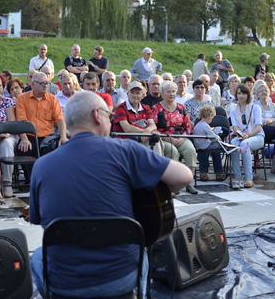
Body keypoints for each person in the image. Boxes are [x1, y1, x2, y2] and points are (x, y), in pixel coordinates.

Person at [29, 91, 192, 298]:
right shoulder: (126, 150)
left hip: (65, 283)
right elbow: (185, 176)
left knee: (36, 257)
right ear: (97, 115)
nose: (111, 120)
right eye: (109, 115)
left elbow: (38, 219)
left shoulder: (41, 166)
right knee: (141, 249)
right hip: (121, 279)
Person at [16, 72, 68, 182]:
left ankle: (50, 180)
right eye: (42, 83)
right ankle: (31, 181)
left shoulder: (52, 99)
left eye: (47, 83)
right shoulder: (22, 98)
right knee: (24, 149)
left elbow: (60, 120)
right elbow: (21, 121)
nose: (45, 86)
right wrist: (24, 139)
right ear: (33, 84)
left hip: (47, 138)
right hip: (29, 137)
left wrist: (63, 136)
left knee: (57, 148)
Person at [152, 81, 198, 194]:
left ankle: (189, 182)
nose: (171, 94)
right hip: (164, 138)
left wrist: (182, 138)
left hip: (180, 137)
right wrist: (167, 138)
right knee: (173, 152)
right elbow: (153, 128)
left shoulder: (181, 107)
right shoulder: (156, 108)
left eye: (173, 91)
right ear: (162, 93)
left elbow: (187, 127)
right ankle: (172, 184)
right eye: (168, 91)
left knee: (191, 150)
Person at [112, 81, 163, 156]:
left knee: (162, 143)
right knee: (153, 139)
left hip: (142, 140)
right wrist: (146, 132)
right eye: (132, 92)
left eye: (138, 93)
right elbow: (127, 128)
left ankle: (159, 164)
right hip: (124, 141)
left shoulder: (146, 107)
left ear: (142, 95)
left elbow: (153, 125)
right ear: (127, 94)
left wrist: (148, 131)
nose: (135, 95)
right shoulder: (121, 108)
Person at [230, 84, 265, 189]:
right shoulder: (233, 110)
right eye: (239, 93)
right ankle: (237, 176)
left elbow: (258, 127)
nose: (241, 96)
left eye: (244, 93)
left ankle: (249, 178)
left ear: (248, 94)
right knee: (233, 144)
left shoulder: (255, 108)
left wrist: (248, 135)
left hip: (257, 136)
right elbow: (235, 127)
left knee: (244, 144)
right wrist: (240, 134)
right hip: (242, 136)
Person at [192, 106, 224, 181]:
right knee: (219, 147)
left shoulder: (199, 124)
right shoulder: (205, 125)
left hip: (199, 145)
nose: (212, 120)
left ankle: (203, 172)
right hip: (204, 145)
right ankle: (218, 171)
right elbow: (214, 136)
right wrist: (219, 138)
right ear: (209, 117)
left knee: (213, 147)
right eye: (212, 118)